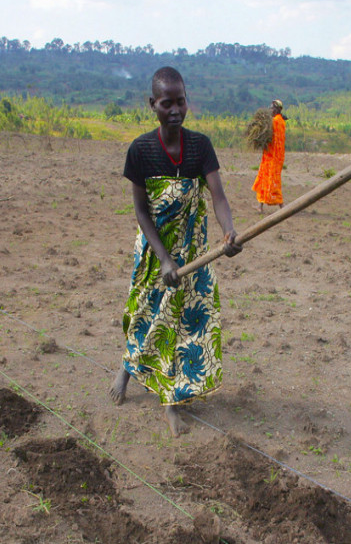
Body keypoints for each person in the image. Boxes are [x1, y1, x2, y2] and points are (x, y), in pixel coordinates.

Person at [108, 67, 243, 437]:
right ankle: (127, 368)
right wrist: (165, 258)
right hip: (156, 253)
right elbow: (140, 211)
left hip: (194, 252)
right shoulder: (140, 150)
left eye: (180, 101)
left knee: (185, 324)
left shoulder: (200, 146)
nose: (175, 109)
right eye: (167, 103)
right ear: (153, 104)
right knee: (145, 316)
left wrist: (228, 232)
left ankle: (172, 401)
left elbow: (218, 196)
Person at [252, 99, 286, 213]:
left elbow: (266, 130)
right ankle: (260, 206)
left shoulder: (276, 121)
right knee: (264, 179)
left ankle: (282, 206)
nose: (271, 110)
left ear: (277, 109)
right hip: (272, 156)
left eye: (272, 108)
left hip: (273, 157)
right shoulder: (280, 121)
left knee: (272, 180)